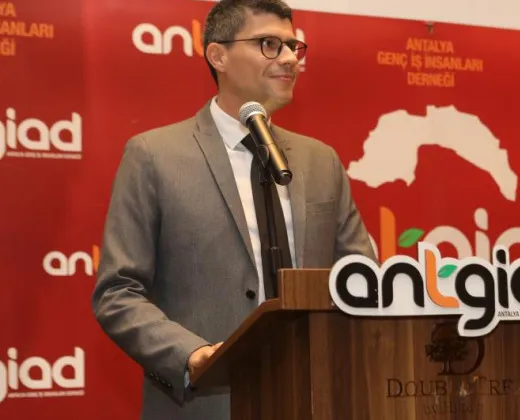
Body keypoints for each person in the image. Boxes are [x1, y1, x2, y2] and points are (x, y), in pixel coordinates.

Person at [91, 1, 376, 419]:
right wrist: (193, 354)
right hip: (206, 403)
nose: (290, 58)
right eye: (269, 44)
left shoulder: (321, 161)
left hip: (315, 397)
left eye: (293, 46)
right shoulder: (154, 156)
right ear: (218, 55)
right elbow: (117, 292)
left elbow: (362, 277)